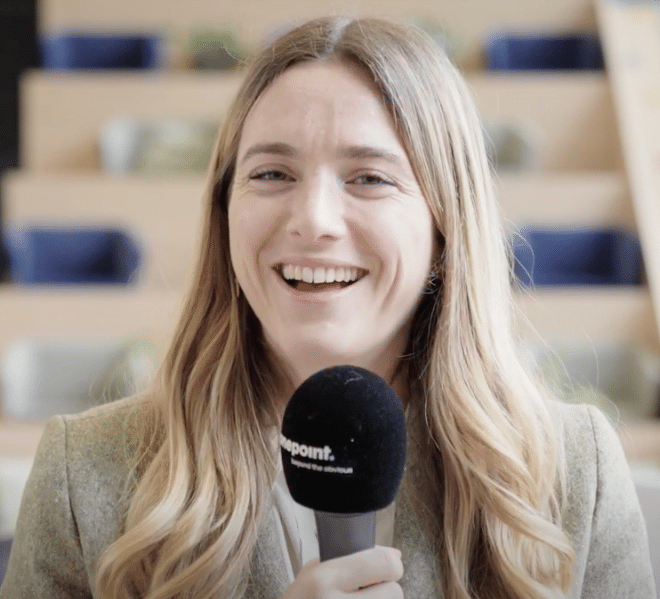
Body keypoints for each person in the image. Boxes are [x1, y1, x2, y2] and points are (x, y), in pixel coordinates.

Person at [0, 15, 655, 599]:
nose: (312, 219)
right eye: (271, 174)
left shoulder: (579, 473)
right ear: (225, 211)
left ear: (445, 226)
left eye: (368, 177)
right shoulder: (83, 475)